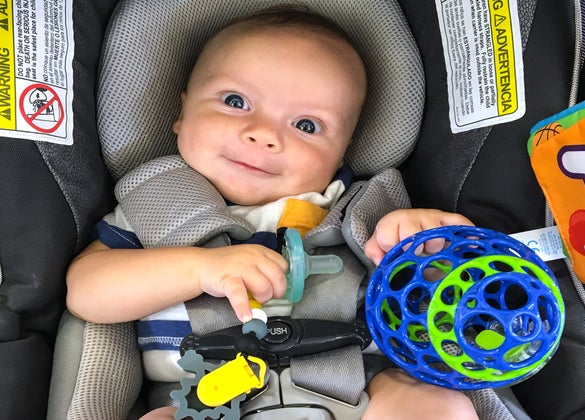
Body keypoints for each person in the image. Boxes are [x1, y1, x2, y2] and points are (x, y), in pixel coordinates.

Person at [66, 6, 478, 420]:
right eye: (235, 101)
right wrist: (198, 269)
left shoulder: (368, 214)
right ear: (181, 113)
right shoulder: (156, 206)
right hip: (205, 402)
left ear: (341, 154)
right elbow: (85, 292)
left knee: (440, 406)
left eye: (306, 125)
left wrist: (430, 249)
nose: (264, 134)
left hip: (359, 396)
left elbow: (448, 312)